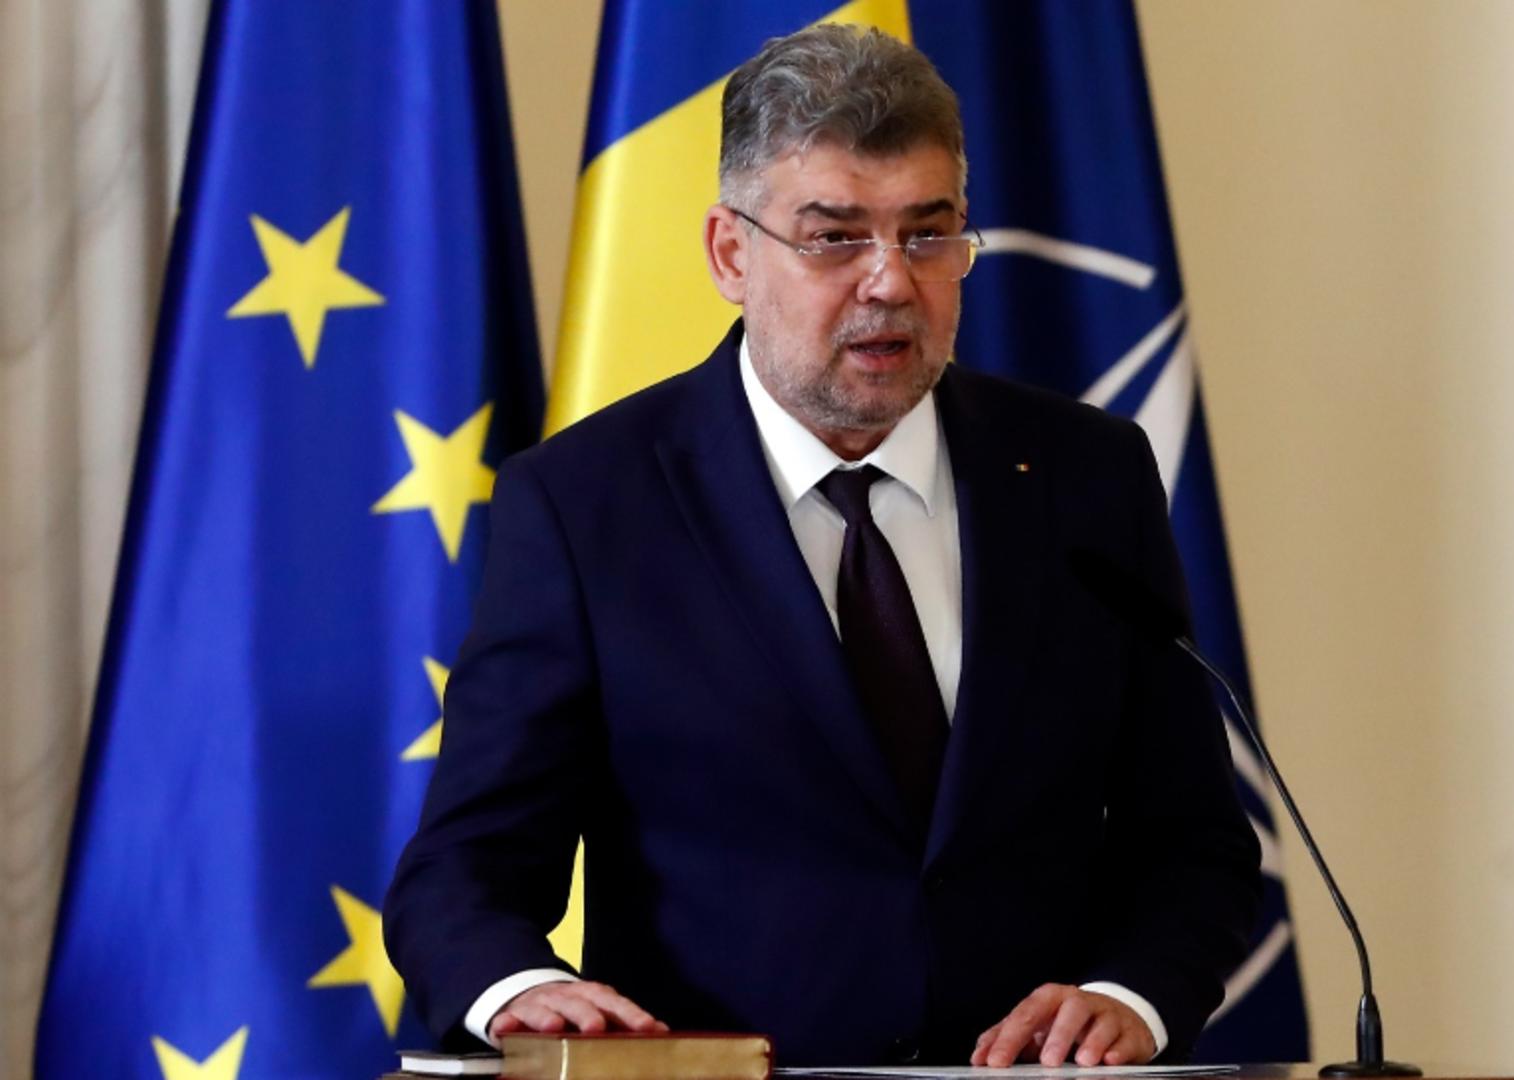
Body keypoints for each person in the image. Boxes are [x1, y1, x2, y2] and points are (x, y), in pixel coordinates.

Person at [385, 24, 1258, 1068]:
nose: (890, 283)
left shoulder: (1086, 476)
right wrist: (523, 992)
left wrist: (1130, 997)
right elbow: (464, 871)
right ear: (731, 253)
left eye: (928, 235)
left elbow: (1194, 843)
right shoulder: (586, 503)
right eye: (836, 238)